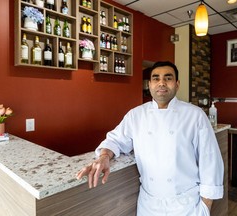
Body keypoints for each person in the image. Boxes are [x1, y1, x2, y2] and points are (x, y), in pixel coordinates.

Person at [76, 61, 224, 216]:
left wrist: (204, 208)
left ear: (177, 84)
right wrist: (104, 156)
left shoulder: (195, 115)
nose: (161, 83)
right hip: (149, 205)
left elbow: (210, 162)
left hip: (186, 205)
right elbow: (115, 140)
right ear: (149, 84)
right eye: (156, 78)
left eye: (168, 78)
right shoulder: (136, 115)